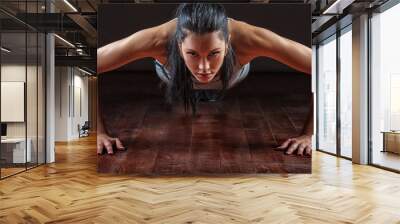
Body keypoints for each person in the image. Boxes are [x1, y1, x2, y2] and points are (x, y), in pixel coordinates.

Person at [97, 3, 313, 156]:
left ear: (228, 43)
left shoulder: (249, 38)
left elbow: (327, 69)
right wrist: (99, 131)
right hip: (172, 76)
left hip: (233, 75)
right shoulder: (157, 40)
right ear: (178, 45)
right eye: (192, 54)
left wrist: (310, 134)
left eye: (213, 53)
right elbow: (89, 69)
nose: (204, 68)